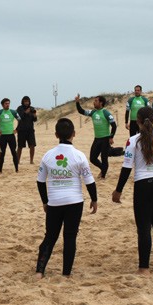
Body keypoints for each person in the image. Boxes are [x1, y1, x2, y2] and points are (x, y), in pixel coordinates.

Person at [112, 106, 153, 273]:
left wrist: (118, 190)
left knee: (144, 228)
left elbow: (126, 168)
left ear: (138, 121)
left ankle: (144, 268)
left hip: (144, 186)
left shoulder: (133, 141)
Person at [36, 118, 97, 278]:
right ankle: (66, 274)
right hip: (74, 202)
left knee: (50, 236)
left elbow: (40, 181)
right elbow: (89, 181)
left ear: (56, 134)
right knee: (70, 237)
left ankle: (39, 272)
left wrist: (45, 201)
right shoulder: (79, 156)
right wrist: (94, 199)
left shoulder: (48, 156)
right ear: (74, 134)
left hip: (54, 202)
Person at [75, 94, 117, 179]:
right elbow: (81, 111)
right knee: (92, 158)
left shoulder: (106, 113)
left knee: (104, 158)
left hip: (105, 139)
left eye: (96, 101)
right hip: (97, 139)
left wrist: (111, 137)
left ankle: (103, 175)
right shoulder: (93, 112)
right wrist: (77, 102)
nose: (94, 102)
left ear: (101, 103)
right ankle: (103, 169)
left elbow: (114, 125)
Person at [0, 98, 21, 173]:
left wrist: (17, 129)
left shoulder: (13, 112)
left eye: (8, 103)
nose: (7, 105)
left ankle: (17, 170)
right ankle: (0, 170)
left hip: (11, 136)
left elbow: (20, 120)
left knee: (14, 153)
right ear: (2, 105)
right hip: (3, 136)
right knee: (2, 153)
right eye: (6, 103)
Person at [16, 96, 38, 164]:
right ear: (23, 102)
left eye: (27, 101)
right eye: (25, 101)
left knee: (32, 145)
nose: (26, 103)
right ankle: (17, 161)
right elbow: (19, 117)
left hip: (30, 130)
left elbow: (35, 120)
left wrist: (34, 115)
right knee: (20, 146)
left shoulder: (32, 108)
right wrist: (25, 112)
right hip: (21, 130)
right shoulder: (20, 108)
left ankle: (31, 160)